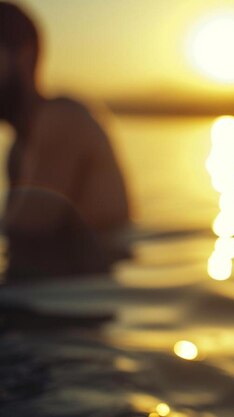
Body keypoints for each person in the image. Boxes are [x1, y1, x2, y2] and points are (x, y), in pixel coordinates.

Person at [0, 2, 130, 281]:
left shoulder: (62, 121)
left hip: (82, 308)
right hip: (49, 295)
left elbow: (27, 229)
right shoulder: (17, 152)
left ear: (24, 55)